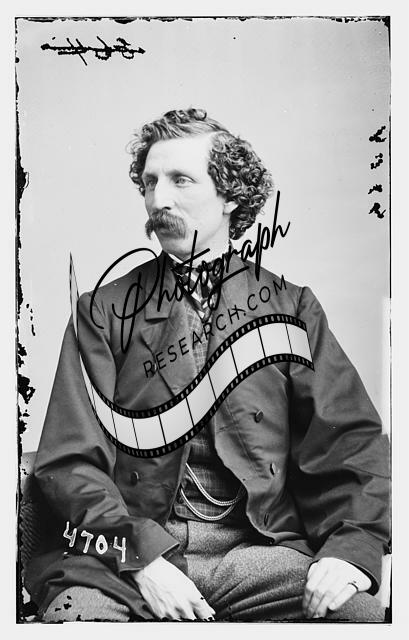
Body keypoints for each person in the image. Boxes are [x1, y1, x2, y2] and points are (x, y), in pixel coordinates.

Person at [25, 108, 390, 623]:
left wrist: (350, 551)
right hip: (126, 557)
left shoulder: (292, 308)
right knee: (76, 622)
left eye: (181, 180)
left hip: (257, 551)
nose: (159, 199)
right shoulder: (101, 313)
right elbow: (70, 463)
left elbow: (348, 442)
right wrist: (141, 558)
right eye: (150, 183)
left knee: (359, 617)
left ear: (231, 195)